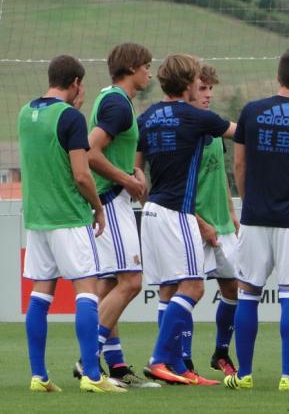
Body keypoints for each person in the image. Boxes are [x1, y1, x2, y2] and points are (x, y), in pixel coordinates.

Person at [224, 47, 289, 392]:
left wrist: (248, 199)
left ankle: (244, 375)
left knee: (248, 294)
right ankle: (288, 377)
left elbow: (239, 165)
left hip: (254, 216)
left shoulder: (252, 111)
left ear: (278, 77)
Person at [20, 55, 124, 393]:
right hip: (68, 217)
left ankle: (39, 376)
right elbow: (81, 174)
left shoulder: (25, 113)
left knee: (40, 293)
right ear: (76, 82)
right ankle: (93, 376)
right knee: (87, 292)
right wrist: (97, 207)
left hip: (36, 219)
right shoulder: (70, 117)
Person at [138, 54, 233, 386]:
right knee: (193, 286)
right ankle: (158, 359)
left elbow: (137, 166)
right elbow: (239, 131)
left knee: (169, 290)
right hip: (176, 213)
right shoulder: (195, 117)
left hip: (150, 210)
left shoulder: (146, 116)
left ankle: (177, 367)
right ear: (190, 83)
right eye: (198, 82)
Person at [72, 42, 159, 388]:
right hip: (111, 200)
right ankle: (87, 359)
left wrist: (131, 174)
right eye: (147, 66)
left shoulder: (109, 98)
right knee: (131, 282)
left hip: (111, 197)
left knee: (110, 285)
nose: (149, 73)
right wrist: (127, 180)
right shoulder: (118, 105)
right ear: (133, 67)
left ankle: (118, 366)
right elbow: (90, 150)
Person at [188, 63, 240, 376]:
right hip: (195, 225)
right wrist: (199, 222)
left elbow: (220, 174)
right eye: (202, 89)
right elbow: (174, 188)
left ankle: (221, 352)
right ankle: (181, 359)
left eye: (210, 89)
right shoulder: (186, 131)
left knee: (233, 289)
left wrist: (231, 211)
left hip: (222, 225)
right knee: (188, 292)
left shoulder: (214, 127)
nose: (207, 95)